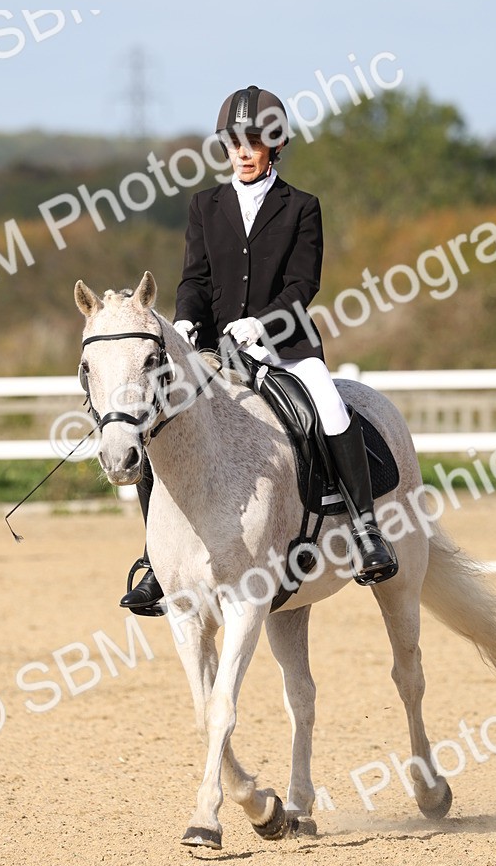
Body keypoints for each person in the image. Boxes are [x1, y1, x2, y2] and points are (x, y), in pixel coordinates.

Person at [121, 84, 398, 613]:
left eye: (256, 142)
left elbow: (302, 284)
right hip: (217, 353)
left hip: (285, 346)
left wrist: (261, 325)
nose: (244, 152)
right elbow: (195, 280)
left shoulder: (302, 207)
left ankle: (366, 532)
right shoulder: (206, 205)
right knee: (160, 422)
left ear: (275, 146)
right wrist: (187, 322)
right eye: (235, 142)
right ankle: (156, 561)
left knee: (331, 408)